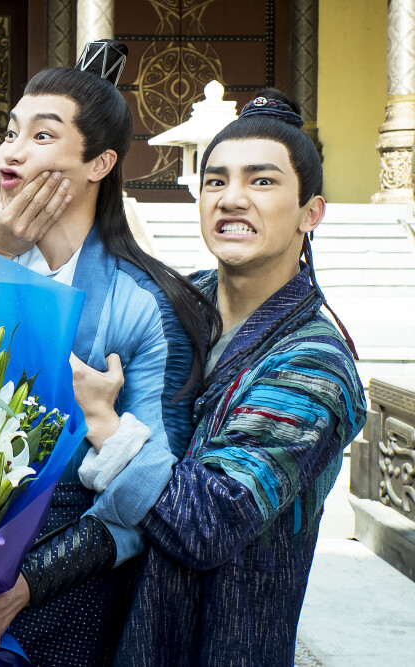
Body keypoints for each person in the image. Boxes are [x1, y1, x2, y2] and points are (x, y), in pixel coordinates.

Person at [0, 40, 219, 666]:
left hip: (66, 594)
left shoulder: (147, 303)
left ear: (100, 163)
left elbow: (151, 492)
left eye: (41, 137)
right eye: (11, 132)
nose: (10, 151)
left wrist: (24, 585)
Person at [98, 90, 366, 665]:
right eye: (215, 182)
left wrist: (106, 423)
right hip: (114, 628)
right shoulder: (171, 302)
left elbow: (209, 521)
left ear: (310, 212)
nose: (231, 199)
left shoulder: (313, 361)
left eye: (262, 182)